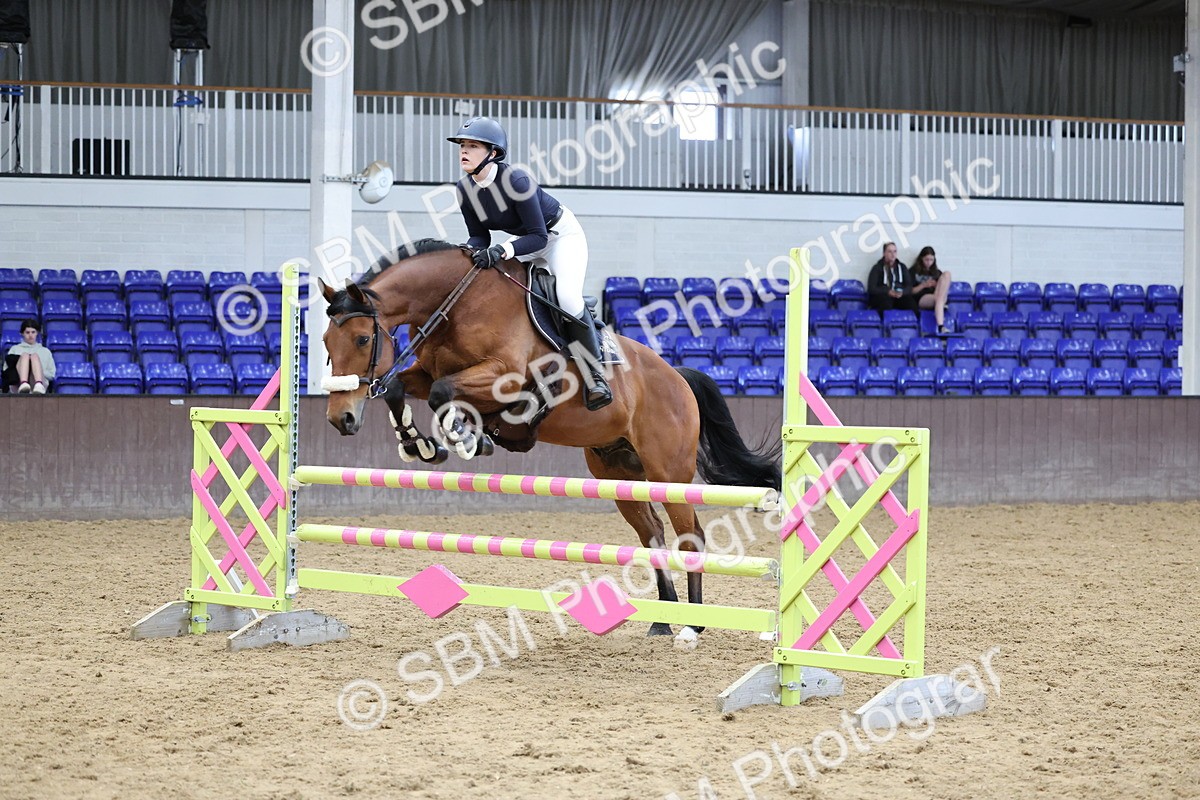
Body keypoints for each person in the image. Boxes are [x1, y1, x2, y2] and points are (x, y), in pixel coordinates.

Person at [449, 115, 612, 411]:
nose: (464, 151)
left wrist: (502, 250)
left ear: (493, 153)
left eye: (472, 146)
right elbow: (478, 236)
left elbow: (539, 236)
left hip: (559, 237)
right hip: (523, 243)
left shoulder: (516, 180)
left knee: (566, 296)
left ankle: (595, 375)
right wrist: (467, 254)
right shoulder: (464, 189)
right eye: (462, 145)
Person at [5, 319, 56, 394]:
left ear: (37, 333)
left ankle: (38, 384)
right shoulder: (14, 349)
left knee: (34, 356)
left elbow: (51, 374)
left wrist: (35, 370)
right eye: (27, 332)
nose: (30, 335)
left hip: (40, 383)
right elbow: (6, 370)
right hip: (18, 384)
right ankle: (24, 383)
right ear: (22, 333)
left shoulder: (45, 351)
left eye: (33, 332)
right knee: (25, 356)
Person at [911, 245, 954, 334]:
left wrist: (937, 285)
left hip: (936, 295)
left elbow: (943, 286)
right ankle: (941, 324)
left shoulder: (936, 272)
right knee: (939, 299)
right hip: (922, 297)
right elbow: (911, 291)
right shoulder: (913, 271)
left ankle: (940, 314)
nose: (929, 263)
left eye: (931, 260)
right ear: (921, 259)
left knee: (947, 274)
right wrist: (924, 285)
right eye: (926, 260)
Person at [866, 242, 918, 313]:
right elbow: (871, 288)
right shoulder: (877, 268)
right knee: (886, 303)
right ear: (884, 253)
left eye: (895, 251)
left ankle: (913, 323)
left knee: (912, 304)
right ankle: (884, 323)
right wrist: (887, 291)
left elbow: (909, 286)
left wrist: (902, 292)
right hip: (883, 296)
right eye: (890, 252)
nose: (893, 254)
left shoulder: (902, 267)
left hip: (899, 296)